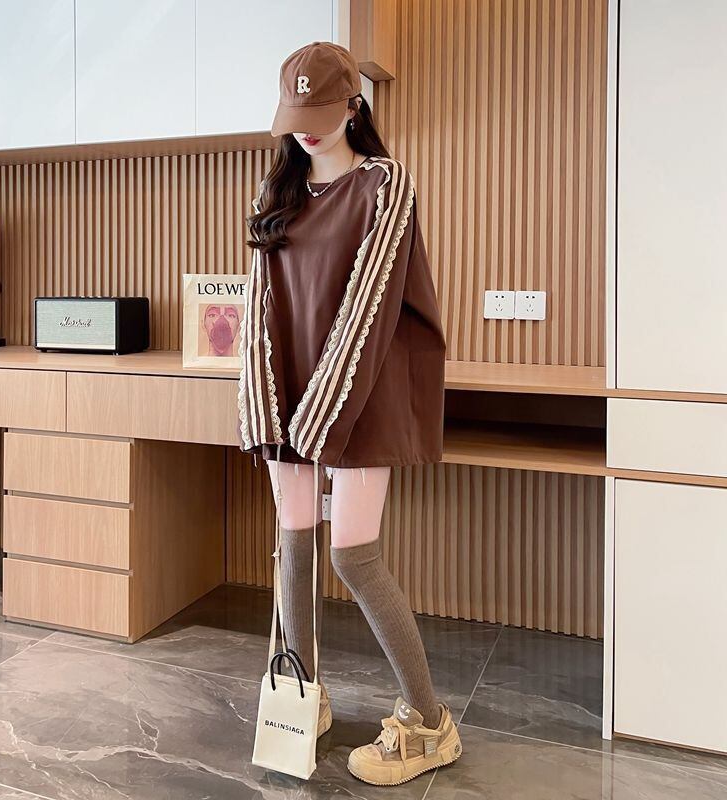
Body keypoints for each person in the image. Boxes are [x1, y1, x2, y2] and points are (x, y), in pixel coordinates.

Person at [236, 41, 461, 786]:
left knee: (352, 554)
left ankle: (429, 722)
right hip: (292, 388)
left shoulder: (383, 185)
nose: (306, 129)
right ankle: (302, 692)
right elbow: (260, 309)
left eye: (322, 112)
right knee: (294, 541)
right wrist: (265, 406)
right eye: (296, 115)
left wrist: (318, 413)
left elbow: (369, 304)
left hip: (362, 388)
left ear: (353, 108)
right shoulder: (277, 193)